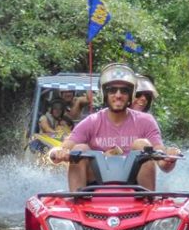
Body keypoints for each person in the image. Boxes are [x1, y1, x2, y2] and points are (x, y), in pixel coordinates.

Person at [50, 63, 180, 191]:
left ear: (131, 94)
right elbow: (60, 149)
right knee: (80, 148)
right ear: (104, 94)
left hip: (135, 187)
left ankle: (147, 202)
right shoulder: (92, 121)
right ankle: (76, 203)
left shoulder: (146, 121)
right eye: (112, 90)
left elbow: (163, 163)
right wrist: (58, 153)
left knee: (142, 144)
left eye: (124, 91)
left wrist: (170, 158)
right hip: (94, 186)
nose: (118, 95)